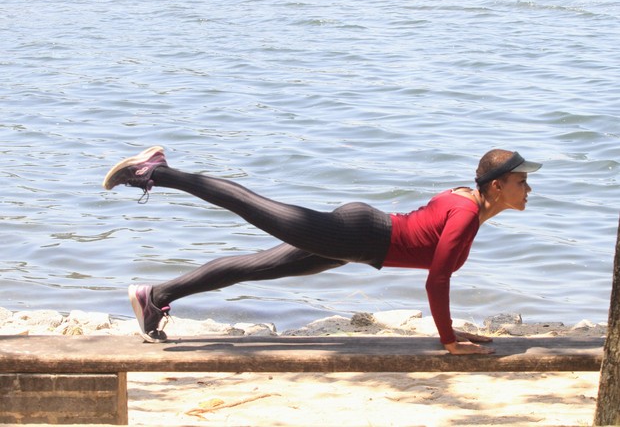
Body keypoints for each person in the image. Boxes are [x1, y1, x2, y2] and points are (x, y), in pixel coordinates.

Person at [103, 146, 541, 355]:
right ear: (497, 186)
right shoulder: (466, 215)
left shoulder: (466, 200)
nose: (528, 188)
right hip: (357, 234)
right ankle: (158, 172)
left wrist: (454, 332)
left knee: (256, 267)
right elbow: (437, 278)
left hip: (360, 241)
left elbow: (424, 237)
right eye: (521, 181)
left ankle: (156, 297)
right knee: (251, 205)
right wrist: (447, 339)